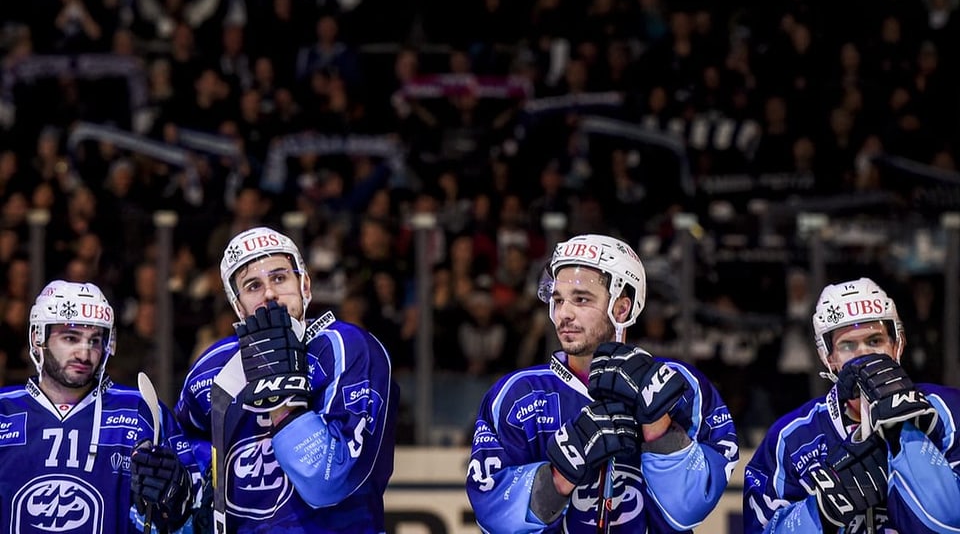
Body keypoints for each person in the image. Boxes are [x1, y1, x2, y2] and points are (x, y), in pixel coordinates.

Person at [466, 233, 739, 532]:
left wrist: (659, 427)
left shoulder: (682, 385)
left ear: (622, 308)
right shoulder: (517, 395)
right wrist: (557, 479)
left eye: (581, 299)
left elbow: (689, 508)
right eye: (558, 300)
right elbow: (491, 515)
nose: (564, 314)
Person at [175, 226, 399, 533]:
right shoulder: (211, 369)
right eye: (253, 285)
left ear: (305, 285)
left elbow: (329, 482)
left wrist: (282, 402)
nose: (269, 293)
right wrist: (177, 493)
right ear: (238, 306)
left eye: (279, 278)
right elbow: (190, 458)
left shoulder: (347, 348)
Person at [743, 277, 960, 533]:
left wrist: (904, 433)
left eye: (875, 341)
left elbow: (949, 523)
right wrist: (821, 511)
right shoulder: (791, 437)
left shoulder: (947, 411)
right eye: (848, 345)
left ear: (896, 344)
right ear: (829, 358)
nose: (863, 355)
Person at [0, 280, 200, 534]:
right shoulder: (4, 411)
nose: (85, 354)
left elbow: (195, 513)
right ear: (37, 337)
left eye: (95, 340)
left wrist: (177, 494)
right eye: (71, 338)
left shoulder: (140, 411)